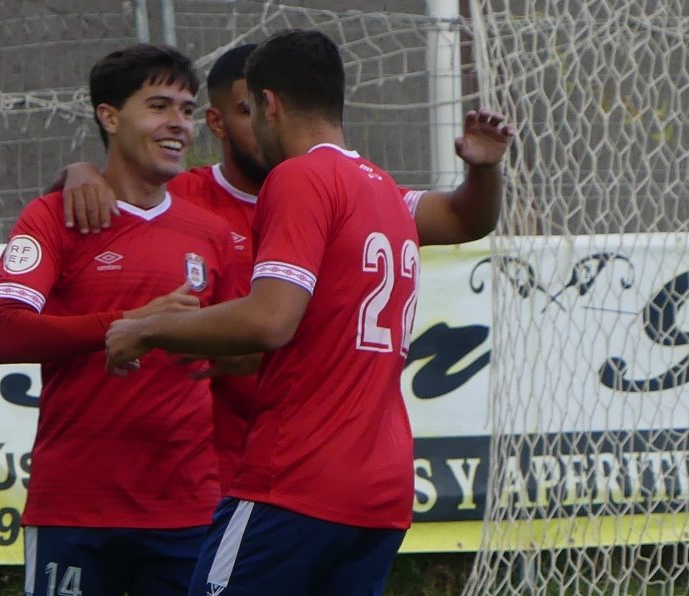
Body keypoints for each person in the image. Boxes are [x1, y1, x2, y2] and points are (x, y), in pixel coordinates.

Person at [105, 29, 515, 596]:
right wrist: (485, 170)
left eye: (252, 108)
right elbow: (469, 220)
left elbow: (271, 320)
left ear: (269, 105)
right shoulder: (377, 188)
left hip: (297, 478)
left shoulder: (300, 177)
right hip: (380, 491)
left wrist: (148, 327)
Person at [0, 43, 242, 596]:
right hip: (75, 508)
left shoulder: (212, 233)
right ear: (109, 115)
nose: (178, 124)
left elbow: (245, 346)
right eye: (159, 106)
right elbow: (3, 334)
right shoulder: (54, 215)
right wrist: (128, 323)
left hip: (187, 508)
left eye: (188, 110)